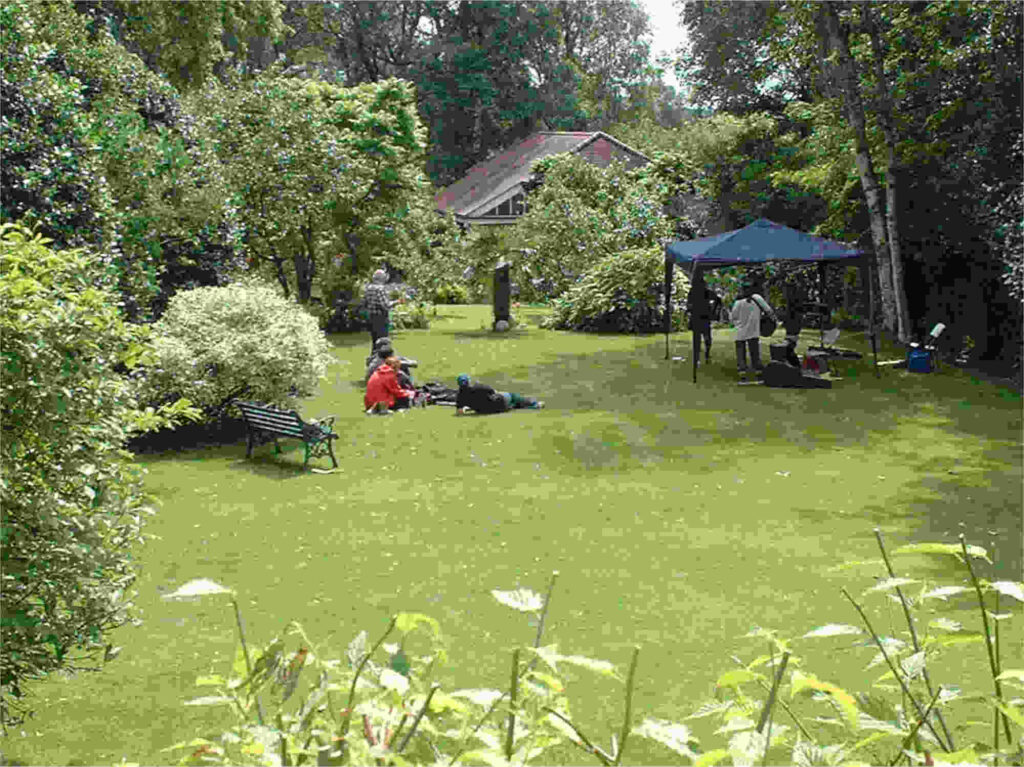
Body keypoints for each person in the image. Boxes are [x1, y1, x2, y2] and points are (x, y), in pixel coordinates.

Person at [729, 283, 773, 380]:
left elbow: (732, 317)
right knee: (754, 350)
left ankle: (742, 370)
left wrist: (737, 323)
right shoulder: (757, 299)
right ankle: (757, 369)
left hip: (740, 331)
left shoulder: (738, 302)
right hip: (754, 330)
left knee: (741, 351)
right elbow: (769, 311)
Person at [454, 374, 544, 415]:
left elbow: (459, 412)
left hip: (484, 411)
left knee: (513, 403)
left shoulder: (460, 396)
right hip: (499, 405)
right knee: (513, 396)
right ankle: (534, 404)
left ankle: (516, 405)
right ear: (469, 381)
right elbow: (493, 391)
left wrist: (467, 408)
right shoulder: (479, 386)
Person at [686, 268, 718, 365]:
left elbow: (689, 305)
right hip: (703, 316)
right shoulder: (703, 291)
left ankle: (699, 358)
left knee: (698, 338)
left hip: (698, 316)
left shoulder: (694, 292)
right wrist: (713, 310)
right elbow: (717, 299)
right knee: (706, 337)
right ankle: (705, 355)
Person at [362, 269, 392, 355]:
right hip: (381, 318)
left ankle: (373, 360)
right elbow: (386, 305)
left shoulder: (368, 288)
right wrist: (398, 302)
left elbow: (364, 303)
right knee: (383, 341)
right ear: (382, 278)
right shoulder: (380, 289)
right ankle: (383, 362)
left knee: (375, 342)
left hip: (371, 317)